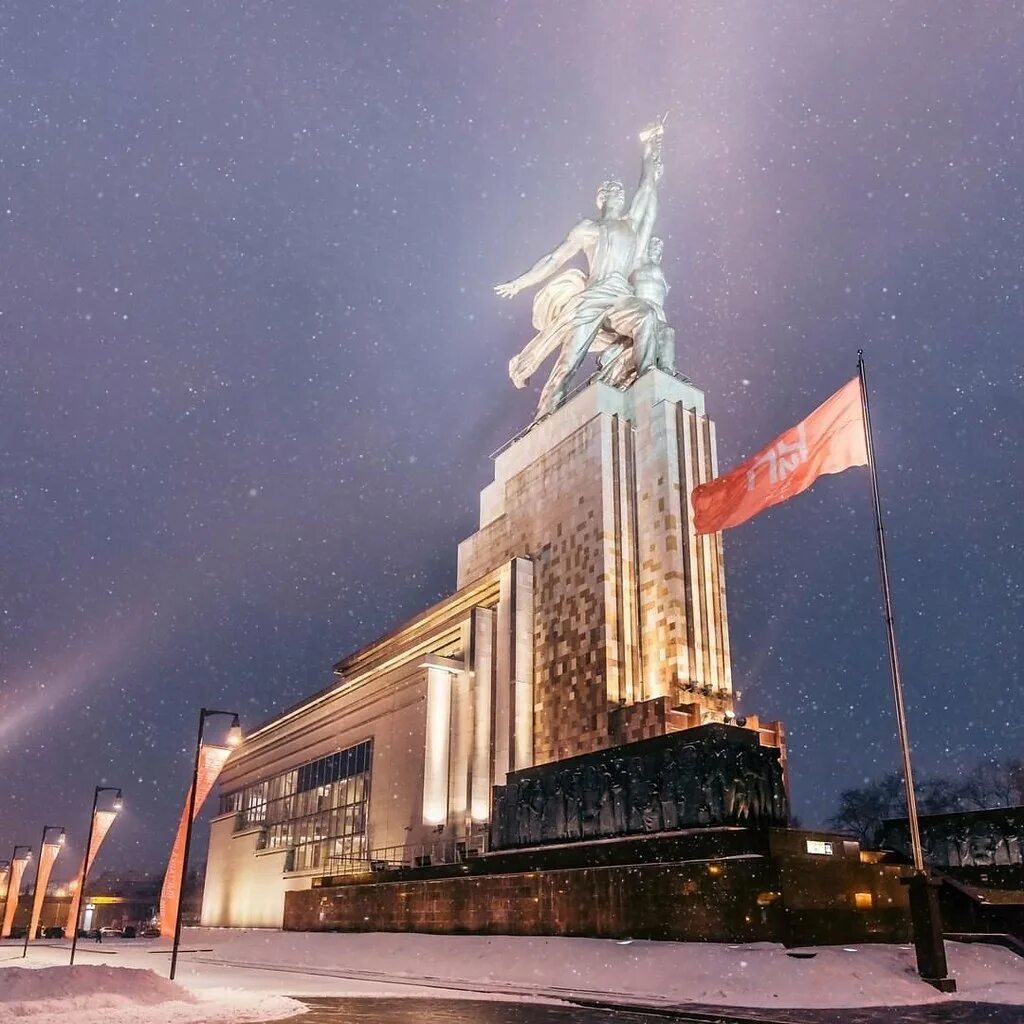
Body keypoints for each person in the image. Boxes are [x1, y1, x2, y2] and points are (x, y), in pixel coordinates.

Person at [497, 120, 665, 421]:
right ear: (599, 199)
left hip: (620, 297)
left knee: (647, 317)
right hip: (592, 297)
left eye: (617, 189)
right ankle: (545, 414)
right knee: (568, 361)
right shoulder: (588, 228)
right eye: (607, 190)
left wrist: (650, 148)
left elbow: (648, 188)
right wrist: (520, 283)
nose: (614, 192)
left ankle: (646, 380)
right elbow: (553, 259)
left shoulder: (631, 225)